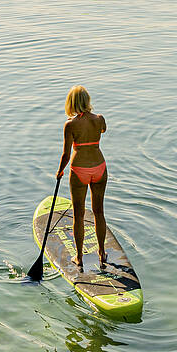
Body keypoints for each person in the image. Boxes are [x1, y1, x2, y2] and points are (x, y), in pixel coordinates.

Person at [54, 85, 110, 272]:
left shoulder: (70, 125)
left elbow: (66, 154)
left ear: (71, 103)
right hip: (100, 168)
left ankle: (79, 257)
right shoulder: (100, 119)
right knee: (99, 212)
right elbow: (103, 130)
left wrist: (60, 171)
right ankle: (102, 252)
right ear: (87, 101)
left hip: (80, 170)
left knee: (78, 215)